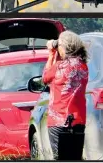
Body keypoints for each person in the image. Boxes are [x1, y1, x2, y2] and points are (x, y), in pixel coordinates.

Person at [43, 31, 89, 161]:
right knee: (75, 158)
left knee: (60, 158)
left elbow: (45, 78)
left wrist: (52, 52)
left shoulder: (59, 66)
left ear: (64, 47)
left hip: (58, 121)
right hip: (78, 120)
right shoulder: (83, 66)